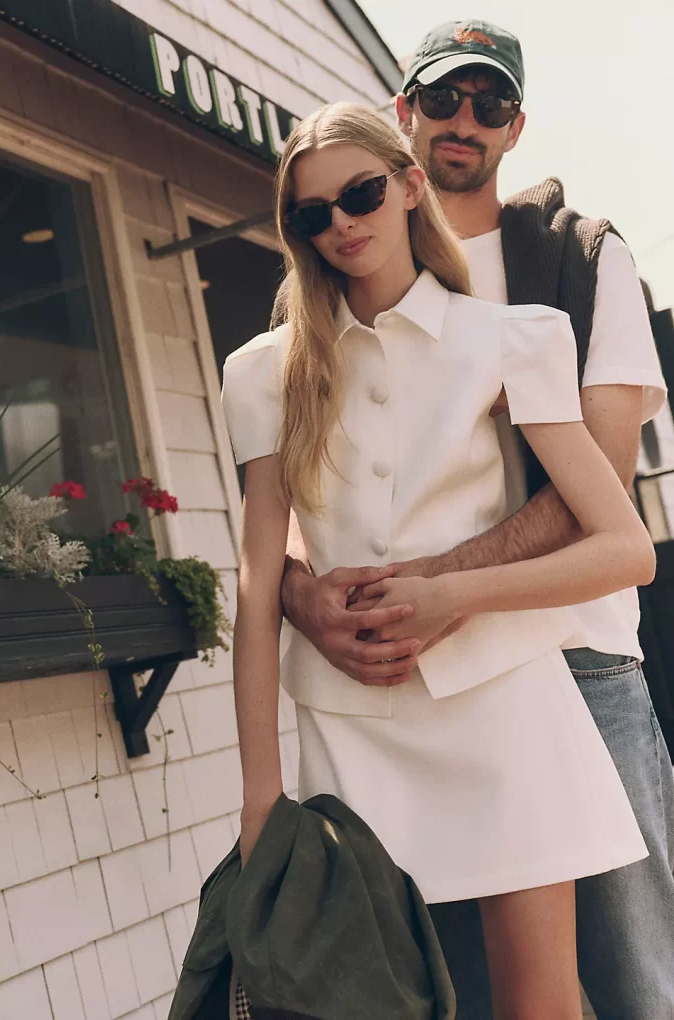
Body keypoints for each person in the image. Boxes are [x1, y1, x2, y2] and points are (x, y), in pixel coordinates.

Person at [221, 100, 655, 1019]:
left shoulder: (517, 336)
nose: (340, 222)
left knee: (541, 1004)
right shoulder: (263, 371)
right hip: (351, 727)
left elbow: (624, 550)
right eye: (311, 212)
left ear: (410, 186)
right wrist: (261, 797)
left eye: (361, 193)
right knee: (379, 998)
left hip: (507, 708)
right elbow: (260, 581)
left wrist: (450, 594)